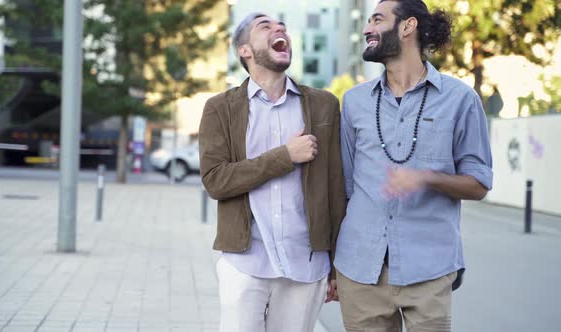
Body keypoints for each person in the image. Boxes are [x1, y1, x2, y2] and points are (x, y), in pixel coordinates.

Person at [335, 1, 493, 331]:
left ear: (408, 27)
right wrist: (330, 267)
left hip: (429, 271)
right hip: (360, 270)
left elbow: (479, 183)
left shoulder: (461, 99)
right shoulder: (354, 102)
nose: (367, 29)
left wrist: (425, 178)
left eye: (377, 19)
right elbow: (344, 189)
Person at [198, 12, 346, 332]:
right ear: (244, 50)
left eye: (282, 27)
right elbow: (215, 180)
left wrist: (336, 267)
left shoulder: (324, 105)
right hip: (245, 262)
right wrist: (284, 156)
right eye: (265, 27)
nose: (280, 29)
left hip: (306, 264)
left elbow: (336, 188)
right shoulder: (220, 108)